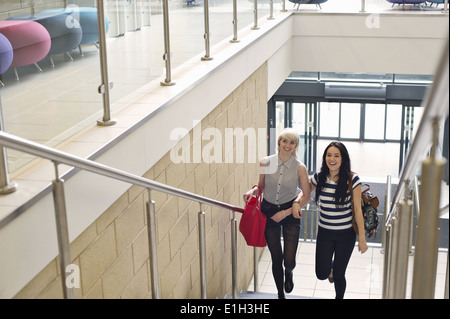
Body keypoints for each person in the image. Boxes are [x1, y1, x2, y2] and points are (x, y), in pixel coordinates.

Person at [243, 128, 310, 299]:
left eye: (292, 142)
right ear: (279, 142)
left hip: (290, 212)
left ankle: (289, 272)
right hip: (269, 211)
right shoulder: (266, 162)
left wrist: (288, 211)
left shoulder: (300, 167)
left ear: (296, 146)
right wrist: (254, 192)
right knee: (276, 257)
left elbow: (307, 194)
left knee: (289, 260)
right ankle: (280, 294)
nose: (287, 145)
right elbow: (261, 186)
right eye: (285, 141)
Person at [310, 141, 368, 299]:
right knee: (321, 274)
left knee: (339, 275)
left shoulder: (352, 179)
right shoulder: (319, 177)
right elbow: (305, 192)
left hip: (346, 235)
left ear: (343, 159)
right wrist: (295, 202)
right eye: (329, 155)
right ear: (325, 158)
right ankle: (332, 267)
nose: (332, 159)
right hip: (325, 233)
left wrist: (362, 239)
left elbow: (357, 211)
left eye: (336, 155)